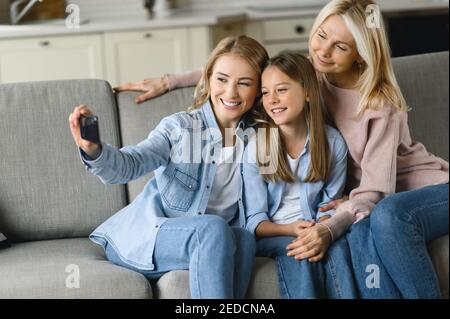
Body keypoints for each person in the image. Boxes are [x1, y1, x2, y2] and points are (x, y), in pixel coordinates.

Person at [114, 0, 449, 299]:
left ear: (360, 54)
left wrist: (332, 223)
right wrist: (170, 80)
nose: (323, 51)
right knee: (359, 231)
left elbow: (375, 191)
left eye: (339, 47)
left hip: (415, 186)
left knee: (384, 218)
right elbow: (245, 69)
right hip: (365, 198)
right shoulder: (311, 75)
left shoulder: (379, 104)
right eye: (320, 36)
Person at [68, 35, 270, 299]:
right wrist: (94, 150)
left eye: (244, 83)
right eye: (221, 79)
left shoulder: (258, 139)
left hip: (211, 240)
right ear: (207, 78)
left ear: (258, 91)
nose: (231, 92)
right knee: (213, 228)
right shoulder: (179, 128)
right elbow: (132, 163)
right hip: (155, 236)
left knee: (243, 239)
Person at [243, 51, 357, 298]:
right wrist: (290, 229)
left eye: (281, 90)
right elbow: (254, 222)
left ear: (307, 92)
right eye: (265, 92)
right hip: (274, 234)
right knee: (300, 253)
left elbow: (329, 206)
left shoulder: (333, 143)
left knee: (338, 249)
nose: (272, 99)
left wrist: (320, 232)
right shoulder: (256, 147)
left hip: (314, 226)